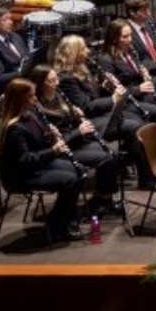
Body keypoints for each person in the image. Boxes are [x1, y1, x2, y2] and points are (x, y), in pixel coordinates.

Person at [0, 78, 85, 242]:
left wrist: (51, 135)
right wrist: (53, 150)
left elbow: (38, 142)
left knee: (76, 169)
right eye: (31, 96)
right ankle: (56, 225)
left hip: (36, 165)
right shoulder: (15, 128)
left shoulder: (30, 114)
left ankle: (64, 218)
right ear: (19, 99)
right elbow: (25, 160)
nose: (35, 99)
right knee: (70, 180)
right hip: (21, 175)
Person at [30, 63, 121, 216]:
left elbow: (67, 121)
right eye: (52, 80)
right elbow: (51, 139)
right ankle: (101, 200)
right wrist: (79, 131)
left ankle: (103, 198)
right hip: (61, 148)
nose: (57, 83)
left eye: (56, 78)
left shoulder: (58, 94)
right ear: (41, 83)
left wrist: (76, 116)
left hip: (75, 141)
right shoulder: (37, 107)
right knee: (105, 159)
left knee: (111, 154)